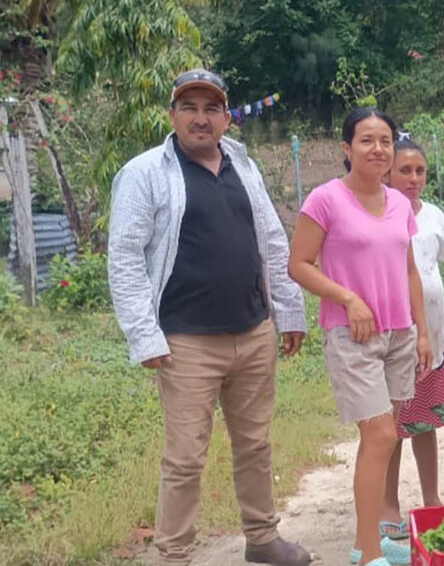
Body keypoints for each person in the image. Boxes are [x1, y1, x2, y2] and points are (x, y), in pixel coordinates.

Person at [108, 68, 311, 566]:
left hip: (253, 330)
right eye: (190, 108)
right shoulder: (145, 173)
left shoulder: (243, 165)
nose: (200, 119)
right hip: (185, 342)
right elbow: (125, 256)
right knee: (185, 456)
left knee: (255, 445)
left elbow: (272, 238)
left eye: (211, 109)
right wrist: (144, 335)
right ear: (172, 115)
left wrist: (289, 310)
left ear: (226, 117)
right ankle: (175, 554)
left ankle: (262, 538)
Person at [288, 108, 433, 566]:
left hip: (399, 334)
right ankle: (368, 553)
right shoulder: (325, 200)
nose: (378, 149)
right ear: (347, 149)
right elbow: (299, 265)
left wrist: (422, 332)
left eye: (385, 140)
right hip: (352, 335)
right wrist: (348, 299)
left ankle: (366, 541)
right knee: (380, 435)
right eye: (367, 140)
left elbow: (409, 270)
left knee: (382, 440)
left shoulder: (399, 203)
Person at [379, 136, 444, 540]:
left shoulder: (434, 216)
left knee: (426, 423)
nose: (413, 178)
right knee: (390, 428)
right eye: (405, 170)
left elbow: (438, 263)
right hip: (393, 338)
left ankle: (431, 499)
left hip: (433, 336)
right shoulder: (378, 215)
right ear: (388, 173)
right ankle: (388, 504)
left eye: (420, 171)